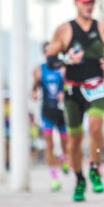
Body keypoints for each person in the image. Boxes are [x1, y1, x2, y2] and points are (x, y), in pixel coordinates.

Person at [46, 0, 104, 202]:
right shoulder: (64, 30)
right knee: (75, 139)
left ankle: (95, 168)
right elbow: (50, 59)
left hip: (96, 86)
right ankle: (79, 179)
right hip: (73, 90)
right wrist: (66, 60)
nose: (89, 6)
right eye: (85, 2)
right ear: (76, 3)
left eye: (92, 2)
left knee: (96, 128)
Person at [31, 41, 70, 192]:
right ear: (44, 53)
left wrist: (64, 93)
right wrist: (34, 93)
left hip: (61, 111)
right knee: (49, 145)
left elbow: (70, 87)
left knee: (65, 142)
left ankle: (64, 159)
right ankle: (54, 179)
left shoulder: (63, 69)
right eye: (48, 51)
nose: (50, 54)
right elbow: (33, 89)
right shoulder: (39, 70)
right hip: (47, 111)